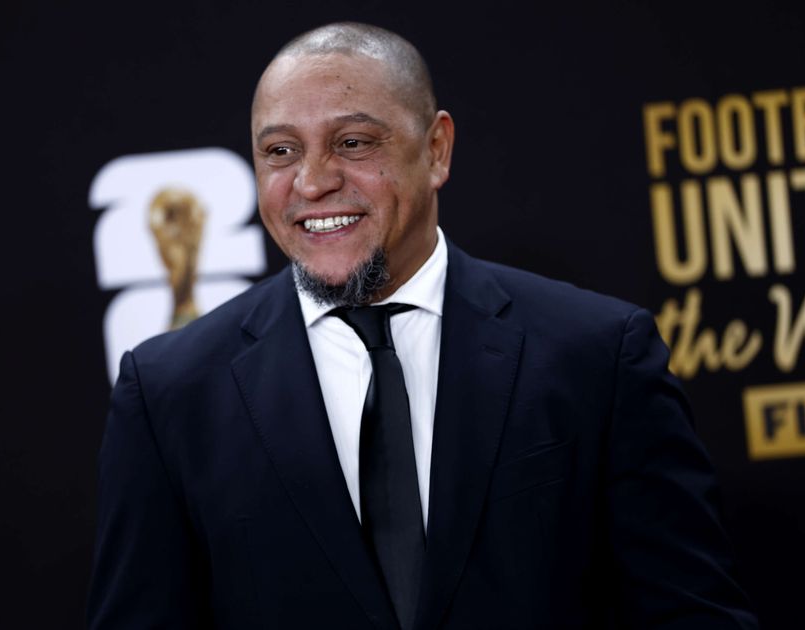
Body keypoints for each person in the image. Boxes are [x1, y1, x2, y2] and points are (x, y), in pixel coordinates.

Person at [87, 22, 759, 630]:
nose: (312, 182)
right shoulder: (169, 395)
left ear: (436, 149)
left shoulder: (597, 355)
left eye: (352, 143)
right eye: (280, 151)